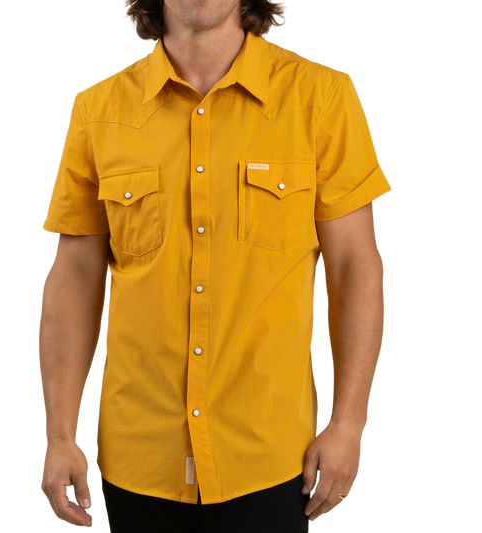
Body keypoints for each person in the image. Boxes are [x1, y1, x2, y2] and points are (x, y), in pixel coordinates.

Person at [38, 0, 394, 531]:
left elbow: (355, 268)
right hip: (139, 459)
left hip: (272, 458)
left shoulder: (321, 96)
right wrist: (60, 435)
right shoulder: (97, 109)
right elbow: (75, 278)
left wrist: (349, 425)